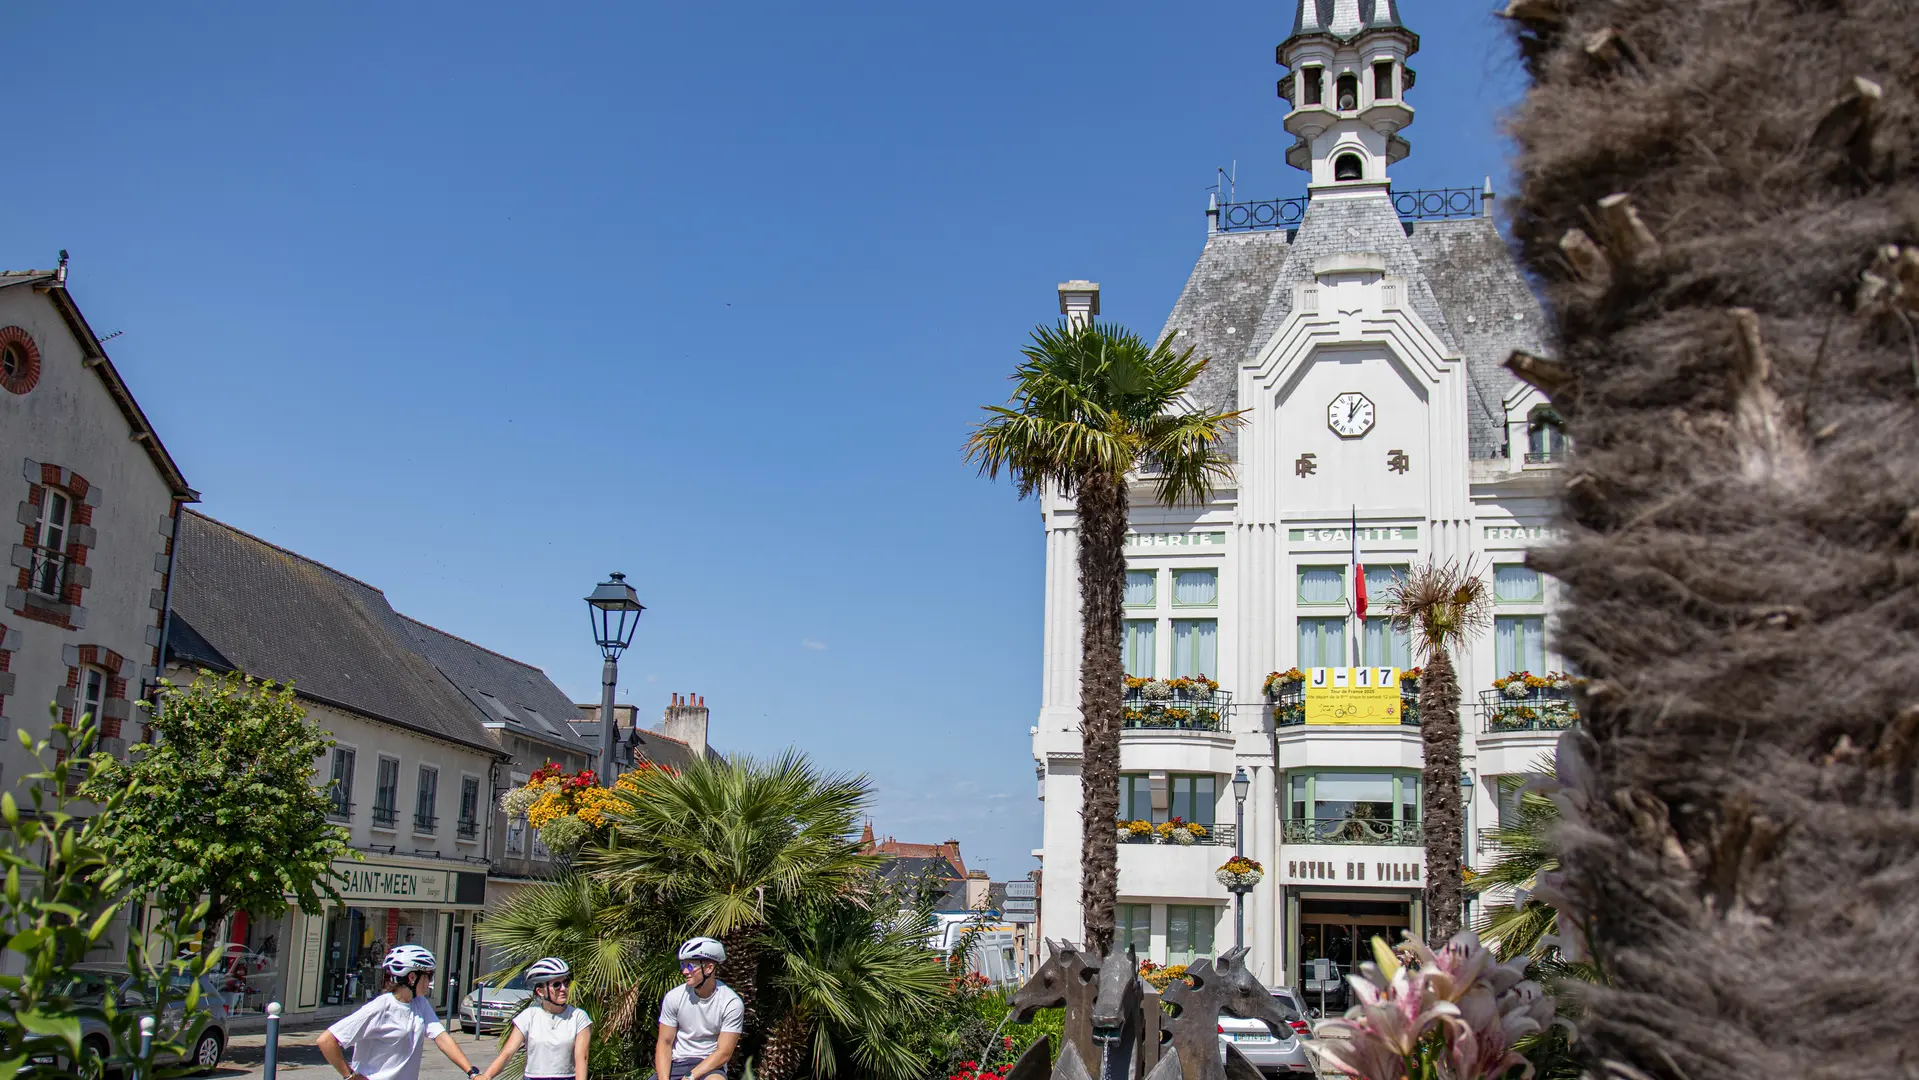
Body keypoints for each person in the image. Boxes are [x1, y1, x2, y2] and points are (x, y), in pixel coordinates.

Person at [317, 945, 483, 1080]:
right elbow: (326, 1041)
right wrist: (350, 1076)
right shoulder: (380, 1008)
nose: (430, 982)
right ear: (412, 977)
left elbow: (442, 1038)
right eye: (429, 976)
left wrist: (472, 1073)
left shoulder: (420, 1004)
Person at [478, 957, 590, 1080]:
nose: (563, 988)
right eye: (557, 985)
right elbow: (507, 1054)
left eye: (566, 983)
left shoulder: (578, 1016)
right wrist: (487, 1076)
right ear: (540, 991)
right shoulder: (528, 1016)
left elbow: (582, 1057)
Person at [655, 937, 743, 1080]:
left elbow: (723, 1053)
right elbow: (665, 1043)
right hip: (677, 1063)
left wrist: (689, 1077)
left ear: (709, 968)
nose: (684, 971)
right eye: (683, 965)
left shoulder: (731, 1003)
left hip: (709, 1066)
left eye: (690, 966)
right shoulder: (674, 997)